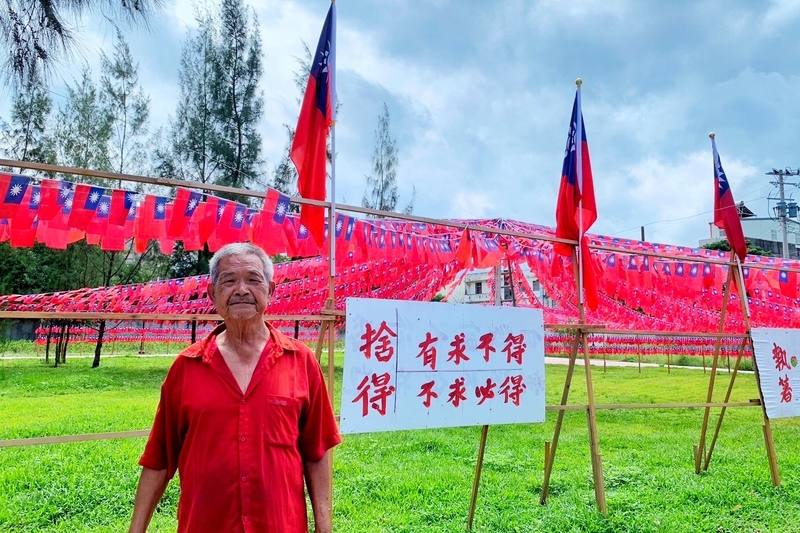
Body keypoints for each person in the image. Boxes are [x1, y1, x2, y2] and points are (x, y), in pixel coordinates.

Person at [129, 242, 341, 533]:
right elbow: (160, 458)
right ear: (213, 294)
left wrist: (325, 526)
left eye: (253, 280)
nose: (241, 289)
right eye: (229, 281)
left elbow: (316, 451)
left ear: (271, 290)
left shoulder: (302, 362)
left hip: (280, 525)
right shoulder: (186, 367)